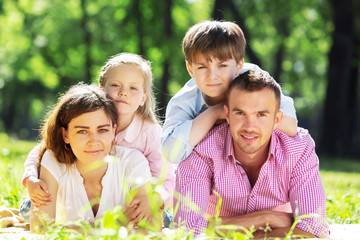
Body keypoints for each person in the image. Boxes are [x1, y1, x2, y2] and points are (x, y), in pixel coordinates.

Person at [22, 53, 174, 226]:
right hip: (79, 193)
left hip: (136, 198)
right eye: (116, 85)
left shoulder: (150, 133)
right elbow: (45, 149)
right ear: (101, 89)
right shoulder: (89, 116)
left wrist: (153, 199)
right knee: (30, 209)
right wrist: (31, 178)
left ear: (143, 98)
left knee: (164, 221)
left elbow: (166, 178)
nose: (124, 92)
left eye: (133, 88)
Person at [174, 70, 329, 238]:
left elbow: (314, 231)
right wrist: (266, 218)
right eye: (240, 113)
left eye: (261, 115)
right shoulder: (202, 150)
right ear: (227, 114)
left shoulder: (298, 150)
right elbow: (186, 229)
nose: (250, 126)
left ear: (277, 119)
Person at [161, 20, 298, 164]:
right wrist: (214, 113)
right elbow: (171, 153)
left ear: (239, 65)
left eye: (222, 65)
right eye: (202, 67)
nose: (212, 75)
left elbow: (290, 126)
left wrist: (238, 112)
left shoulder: (255, 79)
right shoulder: (184, 101)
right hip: (206, 170)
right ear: (190, 69)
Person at [30, 84, 153, 232]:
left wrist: (77, 230)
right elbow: (39, 229)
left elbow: (152, 230)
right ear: (66, 135)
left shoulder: (133, 162)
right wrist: (114, 228)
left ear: (113, 131)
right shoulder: (53, 160)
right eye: (82, 131)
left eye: (102, 130)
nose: (93, 141)